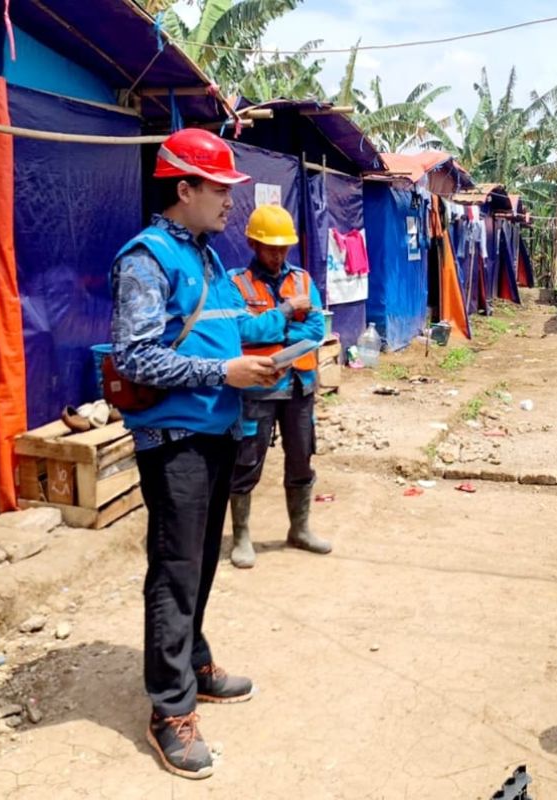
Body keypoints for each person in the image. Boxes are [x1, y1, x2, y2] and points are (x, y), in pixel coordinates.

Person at [109, 128, 288, 780]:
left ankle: (195, 660)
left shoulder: (208, 259)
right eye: (220, 190)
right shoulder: (146, 260)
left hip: (216, 432)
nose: (230, 204)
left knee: (201, 562)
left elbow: (231, 328)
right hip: (174, 440)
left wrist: (283, 334)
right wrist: (225, 376)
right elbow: (136, 356)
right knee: (176, 570)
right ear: (184, 188)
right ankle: (170, 709)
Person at [227, 205, 329, 569]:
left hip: (300, 386)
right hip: (258, 388)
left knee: (302, 457)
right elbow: (242, 332)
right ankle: (241, 536)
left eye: (284, 247)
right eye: (271, 247)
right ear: (253, 243)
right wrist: (287, 313)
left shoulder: (302, 280)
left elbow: (317, 332)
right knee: (247, 461)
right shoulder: (235, 283)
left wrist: (272, 331)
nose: (278, 254)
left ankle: (299, 529)